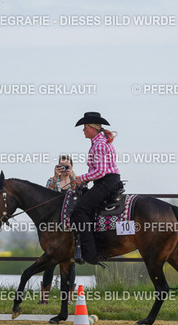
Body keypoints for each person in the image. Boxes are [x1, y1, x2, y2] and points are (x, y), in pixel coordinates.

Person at [72, 112, 122, 265]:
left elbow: (100, 171)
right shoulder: (101, 141)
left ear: (92, 128)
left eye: (85, 127)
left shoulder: (99, 144)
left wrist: (82, 178)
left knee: (79, 210)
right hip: (108, 181)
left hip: (105, 182)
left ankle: (89, 253)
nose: (83, 130)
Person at [39, 155, 78, 304]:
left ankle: (68, 296)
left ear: (72, 166)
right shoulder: (51, 181)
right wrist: (56, 178)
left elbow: (80, 194)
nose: (64, 168)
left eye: (67, 166)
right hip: (54, 225)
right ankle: (44, 297)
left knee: (71, 260)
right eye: (61, 165)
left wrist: (72, 176)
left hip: (70, 224)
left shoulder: (75, 180)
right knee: (50, 259)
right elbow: (47, 197)